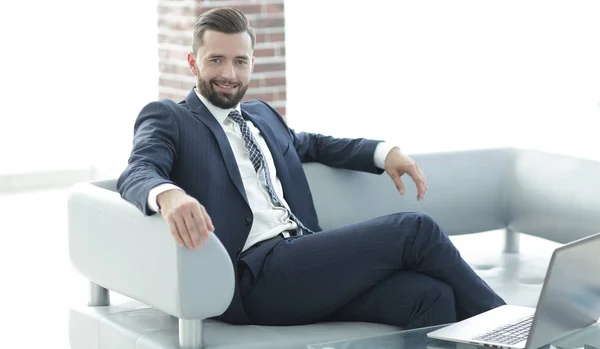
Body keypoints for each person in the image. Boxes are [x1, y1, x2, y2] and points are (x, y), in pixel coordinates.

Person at [117, 7, 505, 328]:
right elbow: (139, 170)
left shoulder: (261, 115)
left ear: (252, 63)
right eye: (215, 60)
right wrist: (169, 196)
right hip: (254, 277)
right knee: (415, 229)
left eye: (239, 61)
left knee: (431, 297)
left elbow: (313, 144)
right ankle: (515, 329)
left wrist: (383, 152)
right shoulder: (170, 118)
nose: (228, 74)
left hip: (303, 262)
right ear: (192, 62)